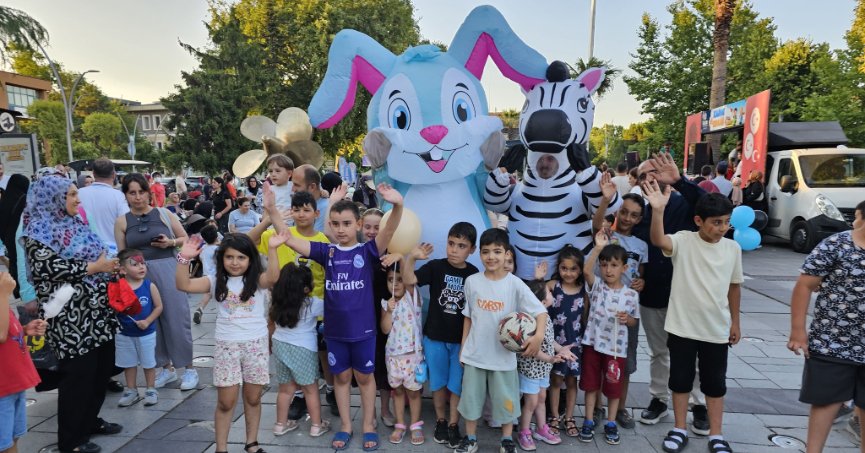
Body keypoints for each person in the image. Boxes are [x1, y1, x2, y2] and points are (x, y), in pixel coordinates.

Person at [273, 181, 404, 451]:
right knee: (342, 379)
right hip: (334, 333)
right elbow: (287, 236)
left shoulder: (368, 251)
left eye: (346, 223)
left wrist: (397, 205)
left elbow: (389, 229)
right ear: (329, 225)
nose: (341, 229)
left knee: (366, 379)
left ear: (357, 224)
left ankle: (368, 425)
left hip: (365, 332)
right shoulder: (326, 252)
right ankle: (346, 425)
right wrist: (271, 211)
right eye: (335, 223)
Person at [22, 175, 122, 453]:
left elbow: (97, 254)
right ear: (54, 198)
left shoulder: (74, 222)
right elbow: (47, 270)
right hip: (69, 318)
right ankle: (71, 441)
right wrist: (95, 268)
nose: (77, 199)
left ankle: (89, 421)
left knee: (101, 371)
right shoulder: (37, 232)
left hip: (98, 312)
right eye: (71, 194)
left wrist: (110, 267)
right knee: (78, 378)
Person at [644, 186, 743, 453]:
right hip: (682, 327)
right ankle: (679, 428)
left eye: (726, 222)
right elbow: (658, 240)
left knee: (715, 383)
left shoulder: (733, 249)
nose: (722, 228)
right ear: (699, 221)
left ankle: (716, 434)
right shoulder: (684, 241)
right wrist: (658, 210)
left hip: (716, 329)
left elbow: (734, 286)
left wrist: (735, 322)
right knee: (680, 379)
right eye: (716, 222)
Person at [176, 232, 284, 453]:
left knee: (253, 398)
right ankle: (221, 448)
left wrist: (272, 250)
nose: (235, 262)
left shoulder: (257, 280)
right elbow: (183, 285)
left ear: (250, 260)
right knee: (226, 402)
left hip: (255, 344)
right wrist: (184, 259)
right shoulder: (215, 281)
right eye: (230, 257)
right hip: (227, 345)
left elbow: (273, 277)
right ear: (221, 259)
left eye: (241, 257)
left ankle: (251, 443)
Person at [632, 153, 709, 431]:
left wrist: (680, 181)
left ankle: (698, 404)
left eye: (655, 171)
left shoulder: (684, 204)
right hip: (653, 294)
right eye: (642, 175)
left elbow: (710, 208)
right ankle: (659, 399)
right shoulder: (638, 212)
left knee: (693, 352)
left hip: (687, 293)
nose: (650, 178)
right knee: (659, 352)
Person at [455, 228, 549, 453]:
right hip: (476, 355)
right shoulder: (472, 282)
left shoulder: (514, 284)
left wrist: (538, 337)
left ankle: (507, 439)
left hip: (503, 359)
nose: (491, 257)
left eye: (497, 251)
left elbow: (540, 312)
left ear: (507, 254)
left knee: (507, 402)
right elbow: (468, 317)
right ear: (480, 254)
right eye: (486, 251)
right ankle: (470, 438)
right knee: (470, 401)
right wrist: (463, 347)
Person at [248, 190, 334, 420]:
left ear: (316, 213)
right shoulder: (283, 233)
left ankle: (331, 390)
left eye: (306, 210)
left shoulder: (322, 240)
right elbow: (251, 241)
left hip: (316, 308)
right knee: (290, 354)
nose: (301, 214)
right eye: (296, 209)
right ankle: (298, 396)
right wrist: (269, 214)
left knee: (323, 353)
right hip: (285, 308)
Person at [787, 200, 865, 453]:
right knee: (825, 402)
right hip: (832, 341)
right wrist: (798, 331)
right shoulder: (837, 245)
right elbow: (805, 285)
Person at [115, 173, 197, 391]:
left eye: (141, 192)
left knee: (177, 318)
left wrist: (169, 242)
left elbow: (185, 238)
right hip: (139, 274)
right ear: (126, 195)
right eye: (132, 193)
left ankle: (189, 368)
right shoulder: (122, 221)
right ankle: (165, 368)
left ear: (148, 193)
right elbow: (122, 254)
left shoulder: (163, 214)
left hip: (168, 267)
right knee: (152, 322)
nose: (137, 197)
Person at [403, 222, 478, 448]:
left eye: (461, 246)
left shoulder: (474, 275)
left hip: (460, 342)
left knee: (456, 386)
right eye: (451, 243)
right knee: (438, 383)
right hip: (434, 337)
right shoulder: (435, 267)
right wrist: (412, 258)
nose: (454, 249)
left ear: (472, 250)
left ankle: (454, 424)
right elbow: (408, 280)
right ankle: (441, 422)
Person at [579, 234, 640, 446]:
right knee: (590, 385)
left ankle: (611, 422)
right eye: (604, 265)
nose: (608, 270)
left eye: (614, 265)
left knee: (614, 387)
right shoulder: (597, 286)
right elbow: (586, 270)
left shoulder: (631, 295)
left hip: (616, 349)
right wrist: (598, 248)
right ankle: (588, 420)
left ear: (624, 268)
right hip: (593, 345)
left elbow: (634, 322)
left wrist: (628, 319)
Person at [269, 263, 331, 438]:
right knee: (310, 389)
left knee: (285, 390)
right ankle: (317, 425)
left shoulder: (277, 302)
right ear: (305, 288)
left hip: (280, 346)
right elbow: (332, 310)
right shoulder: (312, 303)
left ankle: (280, 425)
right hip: (303, 349)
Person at [516, 279, 576, 450]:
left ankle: (541, 428)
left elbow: (549, 342)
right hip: (531, 369)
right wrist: (551, 359)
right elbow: (532, 350)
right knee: (531, 402)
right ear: (541, 302)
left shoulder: (545, 318)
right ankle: (524, 431)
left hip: (542, 369)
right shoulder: (531, 322)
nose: (552, 294)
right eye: (549, 293)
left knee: (542, 398)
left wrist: (561, 349)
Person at [1, 271, 47, 453]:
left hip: (13, 382)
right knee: (4, 443)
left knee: (13, 436)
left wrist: (24, 329)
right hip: (3, 386)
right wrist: (3, 294)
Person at [380, 260, 425, 445]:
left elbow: (409, 277)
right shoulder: (386, 303)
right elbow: (384, 329)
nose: (396, 283)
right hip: (393, 357)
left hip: (412, 357)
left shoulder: (412, 298)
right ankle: (400, 424)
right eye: (391, 280)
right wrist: (389, 311)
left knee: (414, 393)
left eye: (399, 279)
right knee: (397, 392)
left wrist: (406, 256)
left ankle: (415, 425)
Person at [544, 245, 587, 438]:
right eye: (564, 268)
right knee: (555, 381)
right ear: (558, 267)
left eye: (573, 269)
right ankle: (554, 416)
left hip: (574, 345)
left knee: (571, 382)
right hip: (554, 344)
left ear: (580, 270)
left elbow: (584, 320)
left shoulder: (583, 292)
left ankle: (569, 417)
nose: (568, 273)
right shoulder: (553, 286)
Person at [115, 249, 163, 408]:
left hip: (146, 334)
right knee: (128, 363)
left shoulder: (150, 286)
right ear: (123, 270)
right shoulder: (118, 287)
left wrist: (148, 321)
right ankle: (131, 390)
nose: (141, 267)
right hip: (124, 334)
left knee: (149, 363)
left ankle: (150, 389)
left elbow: (158, 307)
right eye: (135, 264)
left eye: (143, 263)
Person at [78, 158, 130, 256]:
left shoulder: (78, 194)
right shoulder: (118, 196)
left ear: (93, 174)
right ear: (114, 175)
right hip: (113, 253)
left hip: (85, 253)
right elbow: (126, 222)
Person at [0, 175, 29, 296]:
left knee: (15, 263)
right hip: (21, 241)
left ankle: (18, 289)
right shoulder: (23, 199)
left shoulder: (5, 201)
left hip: (9, 242)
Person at [292, 164, 330, 232]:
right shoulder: (296, 201)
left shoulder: (327, 209)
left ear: (312, 187)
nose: (293, 189)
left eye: (297, 185)